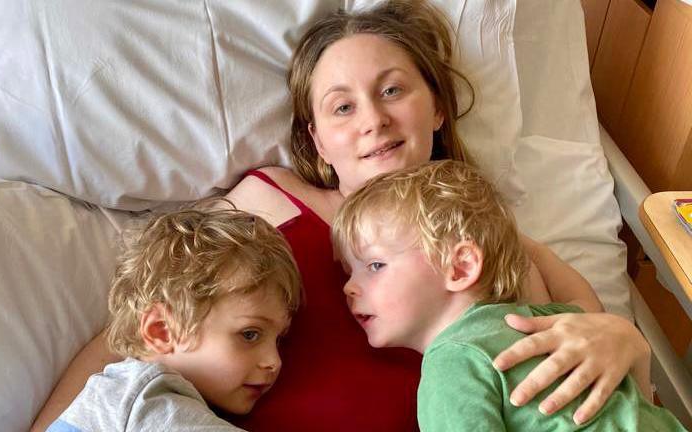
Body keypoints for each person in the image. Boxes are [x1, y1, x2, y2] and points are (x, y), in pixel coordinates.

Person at [32, 1, 651, 431]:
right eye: (341, 106)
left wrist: (624, 340)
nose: (373, 120)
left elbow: (594, 354)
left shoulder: (490, 241)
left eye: (393, 90)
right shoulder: (267, 202)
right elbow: (140, 323)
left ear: (436, 109)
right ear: (317, 141)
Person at [333, 160, 684, 431]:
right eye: (350, 271)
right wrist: (532, 250)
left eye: (375, 265)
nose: (349, 286)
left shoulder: (451, 362)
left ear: (460, 268)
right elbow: (584, 302)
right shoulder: (546, 321)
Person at [46, 202, 301, 431]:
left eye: (278, 340)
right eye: (250, 334)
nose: (274, 361)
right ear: (162, 330)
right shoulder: (145, 397)